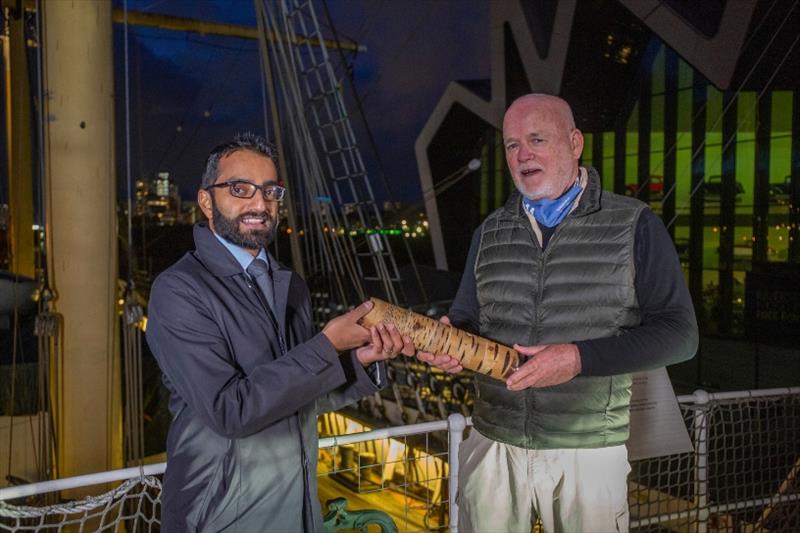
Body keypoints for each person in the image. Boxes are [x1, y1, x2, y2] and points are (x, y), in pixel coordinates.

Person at [419, 94, 698, 532]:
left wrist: (577, 358)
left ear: (574, 143)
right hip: (493, 442)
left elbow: (680, 334)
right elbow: (466, 319)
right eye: (511, 145)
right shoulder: (489, 233)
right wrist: (451, 343)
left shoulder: (634, 224)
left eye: (536, 139)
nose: (522, 154)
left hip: (585, 451)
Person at [146, 133, 414, 532]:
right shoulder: (179, 290)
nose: (259, 203)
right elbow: (230, 410)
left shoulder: (290, 285)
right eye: (240, 189)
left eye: (271, 191)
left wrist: (359, 361)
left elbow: (297, 396)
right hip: (221, 518)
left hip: (296, 510)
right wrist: (326, 346)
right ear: (206, 201)